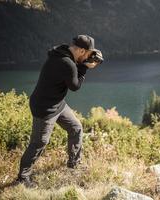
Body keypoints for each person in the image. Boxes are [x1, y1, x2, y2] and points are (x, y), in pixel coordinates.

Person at [15, 35, 103, 187]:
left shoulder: (62, 52)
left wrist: (84, 61)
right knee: (39, 142)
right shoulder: (66, 62)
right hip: (45, 107)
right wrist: (85, 67)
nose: (89, 56)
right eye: (88, 53)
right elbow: (75, 86)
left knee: (76, 128)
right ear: (81, 50)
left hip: (57, 103)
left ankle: (74, 163)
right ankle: (22, 178)